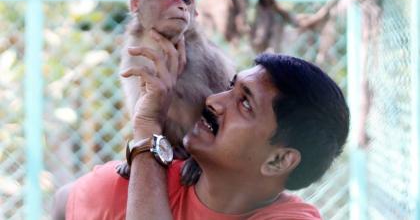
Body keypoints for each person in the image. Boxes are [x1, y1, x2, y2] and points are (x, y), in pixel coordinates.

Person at [53, 33, 349, 220]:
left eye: (245, 104)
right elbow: (63, 202)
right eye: (231, 88)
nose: (213, 100)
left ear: (279, 160)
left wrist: (147, 134)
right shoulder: (124, 188)